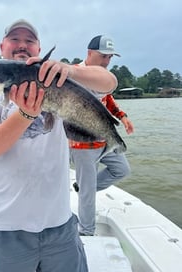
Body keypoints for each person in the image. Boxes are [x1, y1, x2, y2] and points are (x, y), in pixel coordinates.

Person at [0, 20, 118, 272]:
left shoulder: (59, 79)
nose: (22, 45)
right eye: (15, 39)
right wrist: (24, 114)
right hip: (4, 227)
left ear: (39, 48)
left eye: (29, 40)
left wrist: (69, 71)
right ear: (2, 46)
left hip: (60, 225)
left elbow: (109, 81)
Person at [69, 35, 134, 236]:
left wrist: (122, 117)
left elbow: (108, 99)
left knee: (122, 169)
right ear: (89, 53)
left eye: (110, 58)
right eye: (103, 56)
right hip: (82, 145)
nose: (107, 62)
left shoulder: (102, 78)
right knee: (88, 195)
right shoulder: (73, 75)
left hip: (104, 140)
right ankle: (87, 232)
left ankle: (83, 186)